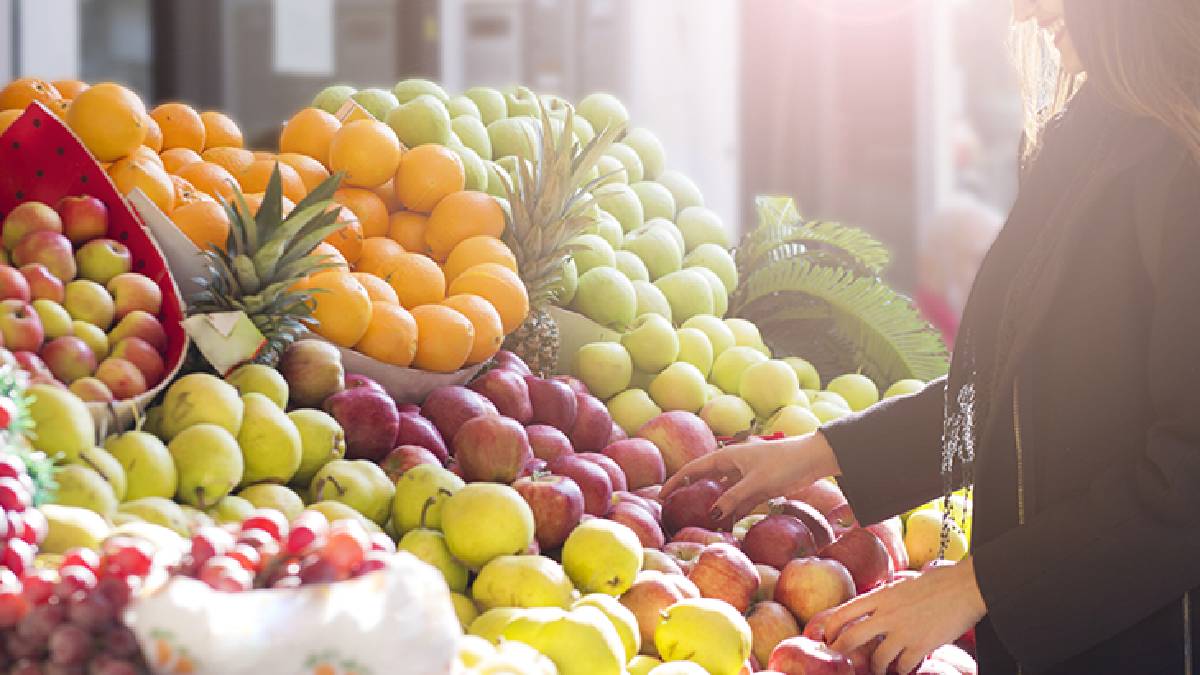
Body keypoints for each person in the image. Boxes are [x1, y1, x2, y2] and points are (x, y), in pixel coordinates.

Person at [662, 1, 1200, 672]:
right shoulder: (1091, 131)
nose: (1027, 12)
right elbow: (1014, 388)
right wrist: (818, 452)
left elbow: (1187, 481)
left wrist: (976, 584)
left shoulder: (1185, 157)